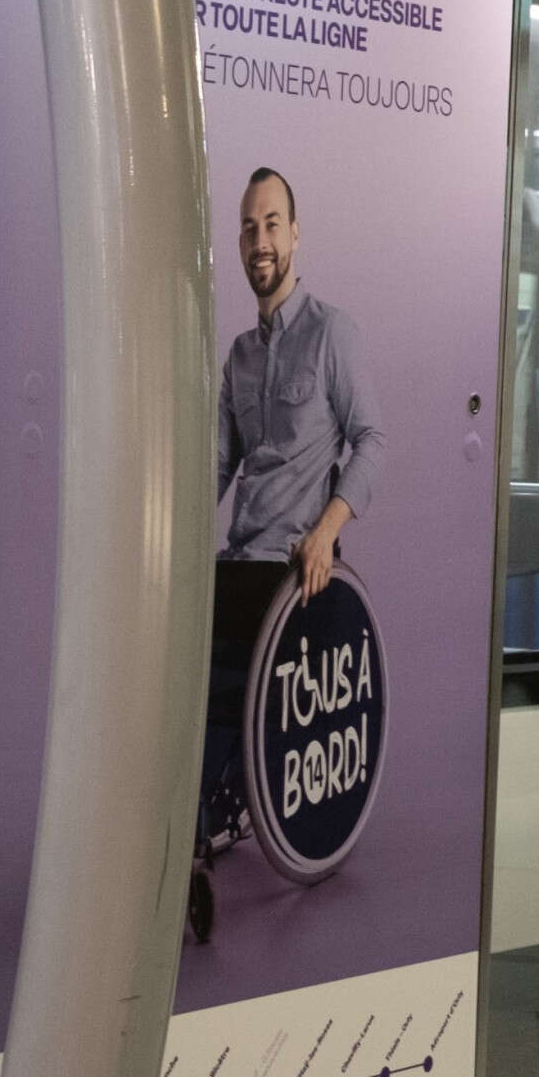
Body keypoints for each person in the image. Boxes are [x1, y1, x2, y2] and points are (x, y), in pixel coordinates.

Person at [199, 166, 384, 937]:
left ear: (295, 233)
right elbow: (213, 468)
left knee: (220, 671)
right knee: (175, 657)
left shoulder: (331, 333)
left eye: (272, 224)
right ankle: (188, 820)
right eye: (249, 228)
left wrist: (329, 527)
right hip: (238, 561)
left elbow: (373, 441)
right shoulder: (239, 357)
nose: (260, 240)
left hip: (293, 574)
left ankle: (189, 846)